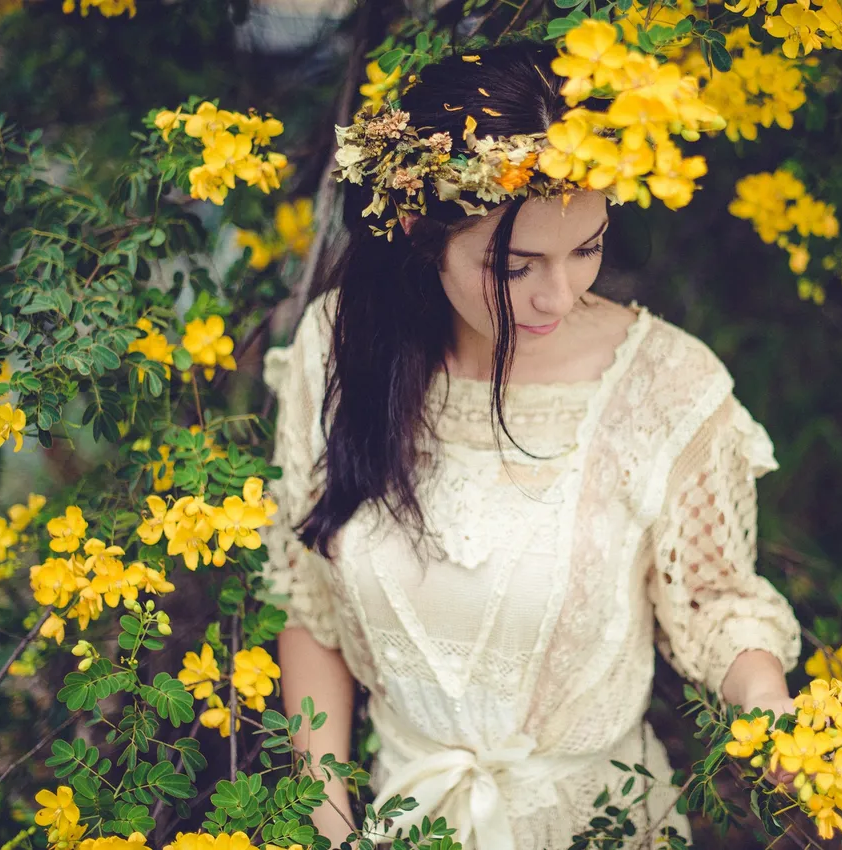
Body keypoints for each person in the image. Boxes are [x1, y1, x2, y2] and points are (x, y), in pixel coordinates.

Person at [258, 40, 802, 850]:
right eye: (517, 265)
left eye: (587, 248)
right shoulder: (339, 352)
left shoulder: (665, 387)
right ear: (417, 226)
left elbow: (715, 602)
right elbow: (311, 609)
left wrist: (773, 714)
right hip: (405, 821)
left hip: (603, 828)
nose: (561, 294)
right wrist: (330, 829)